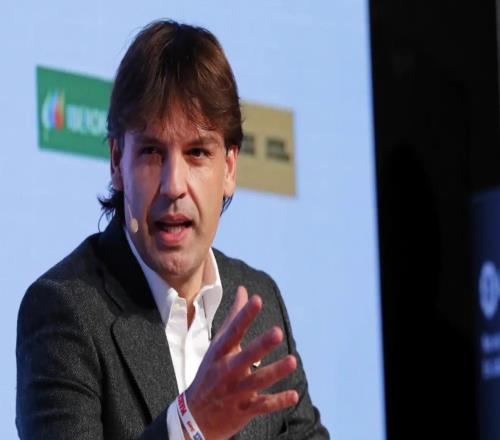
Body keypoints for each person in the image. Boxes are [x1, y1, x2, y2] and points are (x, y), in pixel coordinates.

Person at [16, 20, 329, 440]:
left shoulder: (260, 302)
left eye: (197, 152)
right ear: (117, 163)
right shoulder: (63, 310)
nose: (173, 185)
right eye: (151, 152)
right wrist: (190, 423)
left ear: (229, 168)